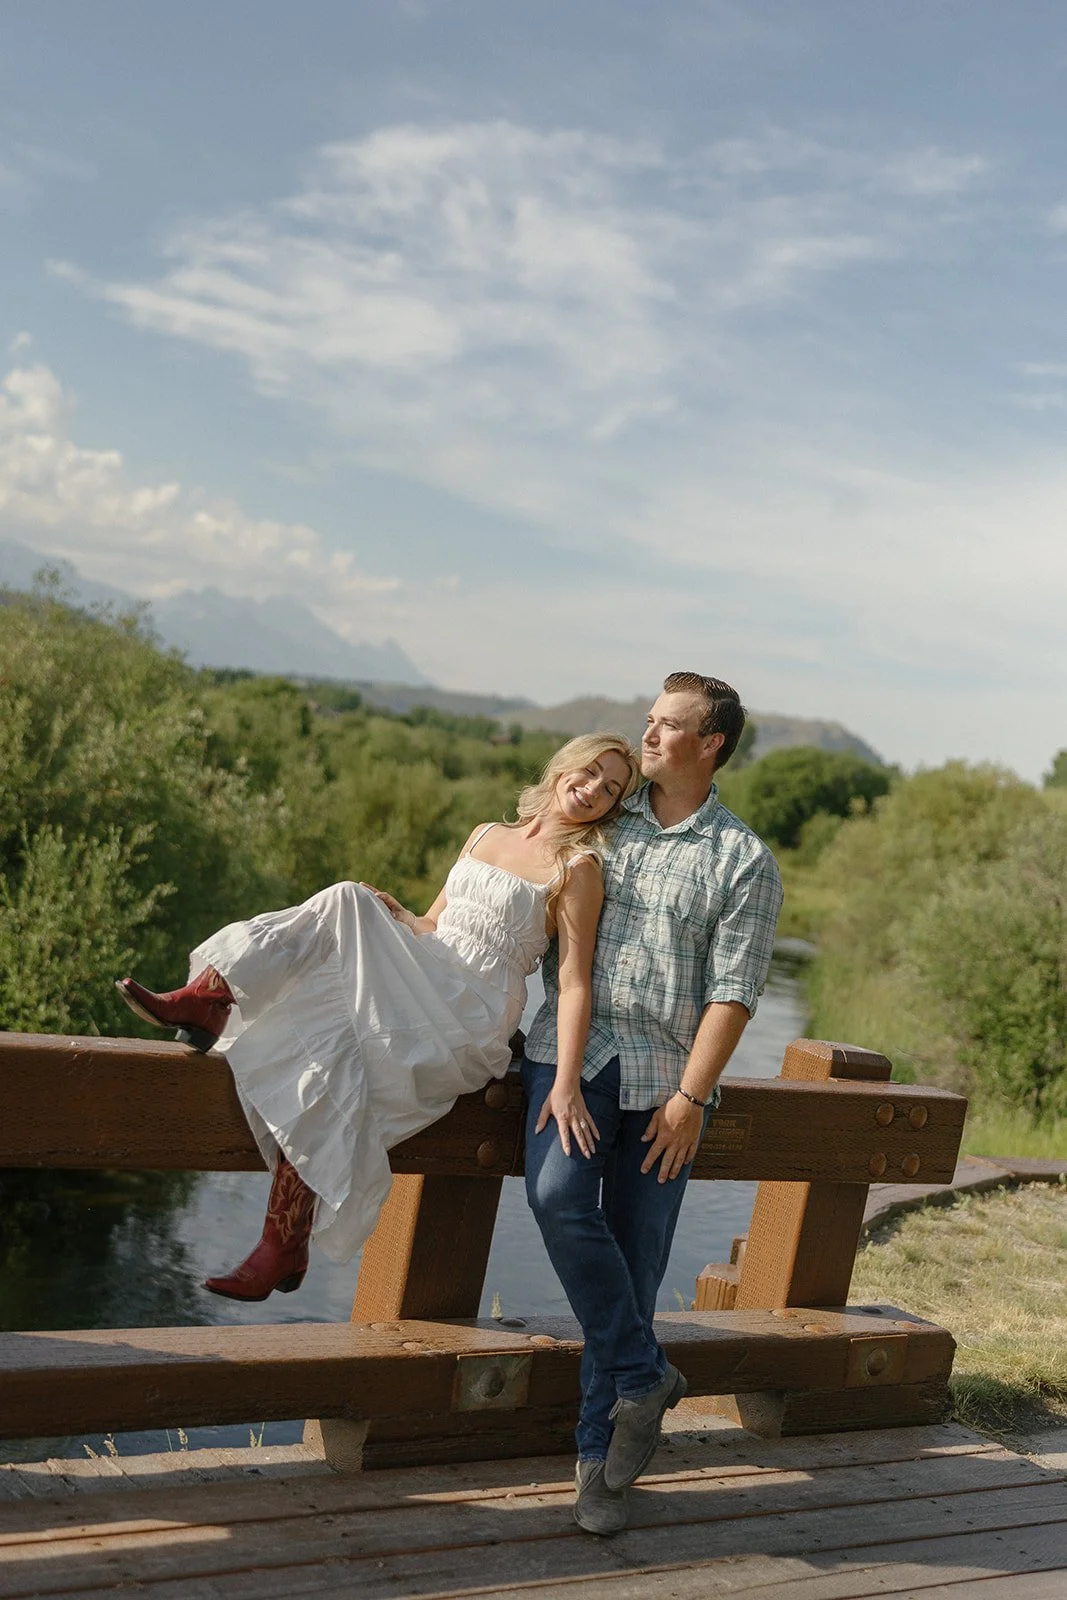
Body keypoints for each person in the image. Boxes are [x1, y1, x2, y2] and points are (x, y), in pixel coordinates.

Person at [115, 733, 642, 1302]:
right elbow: (435, 924)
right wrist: (395, 912)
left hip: (476, 1007)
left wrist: (566, 1082)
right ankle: (284, 1237)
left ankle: (211, 1003)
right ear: (564, 767)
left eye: (611, 790)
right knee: (342, 960)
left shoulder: (578, 867)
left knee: (344, 916)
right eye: (589, 772)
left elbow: (573, 982)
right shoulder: (487, 834)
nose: (593, 790)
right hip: (432, 968)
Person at [521, 672, 783, 1537]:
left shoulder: (742, 860)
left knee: (633, 1264)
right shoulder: (606, 817)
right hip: (576, 1055)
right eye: (648, 720)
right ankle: (644, 1374)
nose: (648, 736)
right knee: (558, 1198)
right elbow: (513, 880)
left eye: (667, 727)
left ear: (709, 745)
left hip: (664, 1081)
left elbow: (734, 991)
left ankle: (597, 1470)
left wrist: (690, 1099)